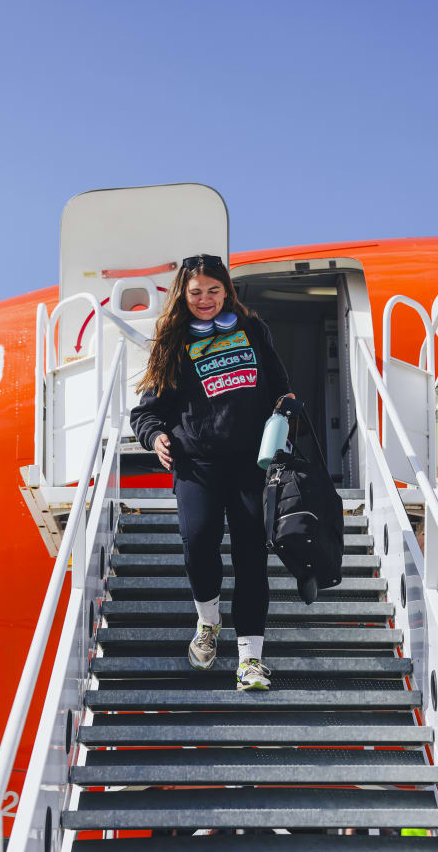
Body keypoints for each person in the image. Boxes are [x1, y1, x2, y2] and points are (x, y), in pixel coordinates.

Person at [130, 253, 293, 691]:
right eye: (196, 291)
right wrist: (155, 436)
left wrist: (284, 418)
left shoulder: (253, 330)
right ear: (184, 294)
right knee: (199, 542)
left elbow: (280, 387)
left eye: (214, 290)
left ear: (227, 291)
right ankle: (208, 622)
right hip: (196, 464)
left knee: (250, 558)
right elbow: (147, 411)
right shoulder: (173, 339)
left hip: (249, 463)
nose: (205, 299)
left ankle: (251, 660)